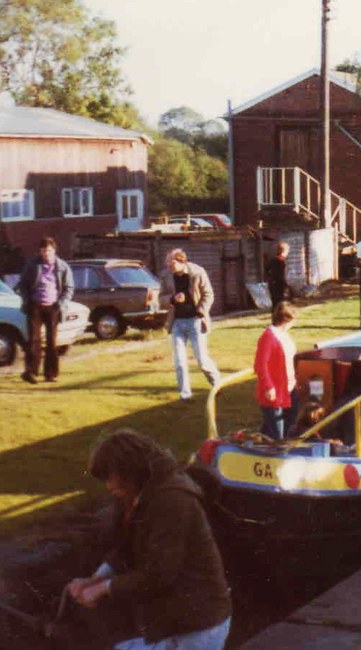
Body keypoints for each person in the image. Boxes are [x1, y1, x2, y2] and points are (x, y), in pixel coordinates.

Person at [66, 429, 232, 649]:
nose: (108, 486)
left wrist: (103, 589)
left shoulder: (172, 501)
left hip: (197, 628)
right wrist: (95, 578)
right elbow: (127, 547)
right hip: (179, 621)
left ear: (129, 470)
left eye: (110, 477)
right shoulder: (139, 493)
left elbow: (159, 574)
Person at [159, 249, 221, 401]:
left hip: (195, 321)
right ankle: (185, 395)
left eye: (172, 262)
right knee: (179, 361)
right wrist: (173, 299)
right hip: (177, 323)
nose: (169, 266)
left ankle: (217, 383)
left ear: (182, 261)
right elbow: (160, 298)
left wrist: (201, 312)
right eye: (167, 262)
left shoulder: (197, 272)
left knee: (202, 360)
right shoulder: (166, 276)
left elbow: (209, 294)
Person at [15, 237, 74, 384]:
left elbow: (69, 288)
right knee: (34, 340)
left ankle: (51, 374)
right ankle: (30, 373)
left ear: (54, 251)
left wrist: (61, 303)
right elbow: (22, 284)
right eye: (43, 251)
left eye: (48, 250)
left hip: (53, 307)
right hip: (35, 306)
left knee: (51, 341)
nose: (46, 254)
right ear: (40, 251)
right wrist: (27, 300)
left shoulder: (62, 266)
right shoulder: (32, 265)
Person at [255, 301, 299, 439]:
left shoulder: (284, 335)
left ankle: (262, 441)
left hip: (289, 387)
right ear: (287, 320)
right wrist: (268, 386)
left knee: (290, 421)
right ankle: (274, 450)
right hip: (276, 390)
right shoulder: (268, 338)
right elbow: (260, 365)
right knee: (277, 431)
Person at [266, 241, 290, 309]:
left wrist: (270, 278)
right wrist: (285, 285)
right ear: (284, 251)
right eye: (288, 250)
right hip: (278, 284)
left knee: (275, 302)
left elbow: (266, 269)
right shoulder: (281, 261)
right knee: (280, 302)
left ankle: (275, 315)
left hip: (272, 283)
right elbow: (281, 275)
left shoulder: (272, 260)